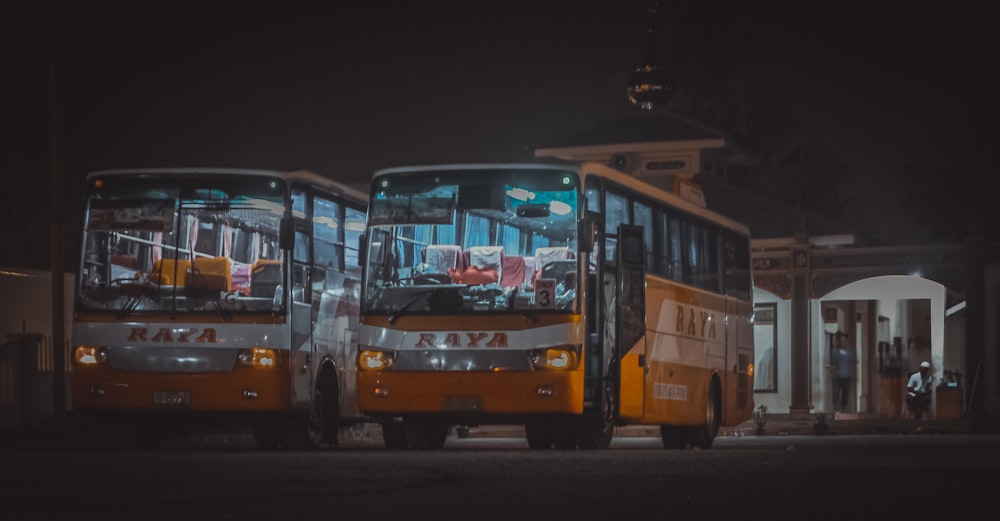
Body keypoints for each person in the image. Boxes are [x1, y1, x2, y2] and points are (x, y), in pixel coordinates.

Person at [829, 331, 857, 412]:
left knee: (846, 393)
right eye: (841, 341)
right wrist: (831, 374)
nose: (843, 342)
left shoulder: (851, 352)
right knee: (836, 393)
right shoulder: (835, 352)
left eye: (844, 341)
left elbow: (854, 365)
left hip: (847, 376)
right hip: (837, 376)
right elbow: (832, 364)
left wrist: (855, 376)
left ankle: (843, 408)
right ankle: (835, 409)